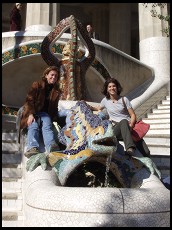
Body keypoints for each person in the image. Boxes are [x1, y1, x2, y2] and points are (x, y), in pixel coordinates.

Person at [89, 77, 150, 157]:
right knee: (124, 121)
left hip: (128, 128)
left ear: (117, 87)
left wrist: (131, 125)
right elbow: (98, 108)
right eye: (109, 87)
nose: (112, 88)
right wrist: (88, 106)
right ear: (107, 89)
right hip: (116, 129)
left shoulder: (124, 99)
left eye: (114, 86)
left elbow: (132, 114)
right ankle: (130, 148)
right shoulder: (105, 100)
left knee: (146, 152)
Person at [20, 66, 61, 158]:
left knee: (47, 124)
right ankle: (32, 148)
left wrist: (56, 119)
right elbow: (29, 100)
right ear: (46, 75)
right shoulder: (37, 85)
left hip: (45, 115)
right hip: (33, 112)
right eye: (52, 75)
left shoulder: (57, 91)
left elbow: (55, 108)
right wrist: (30, 114)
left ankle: (51, 146)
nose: (53, 77)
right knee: (33, 125)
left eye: (56, 76)